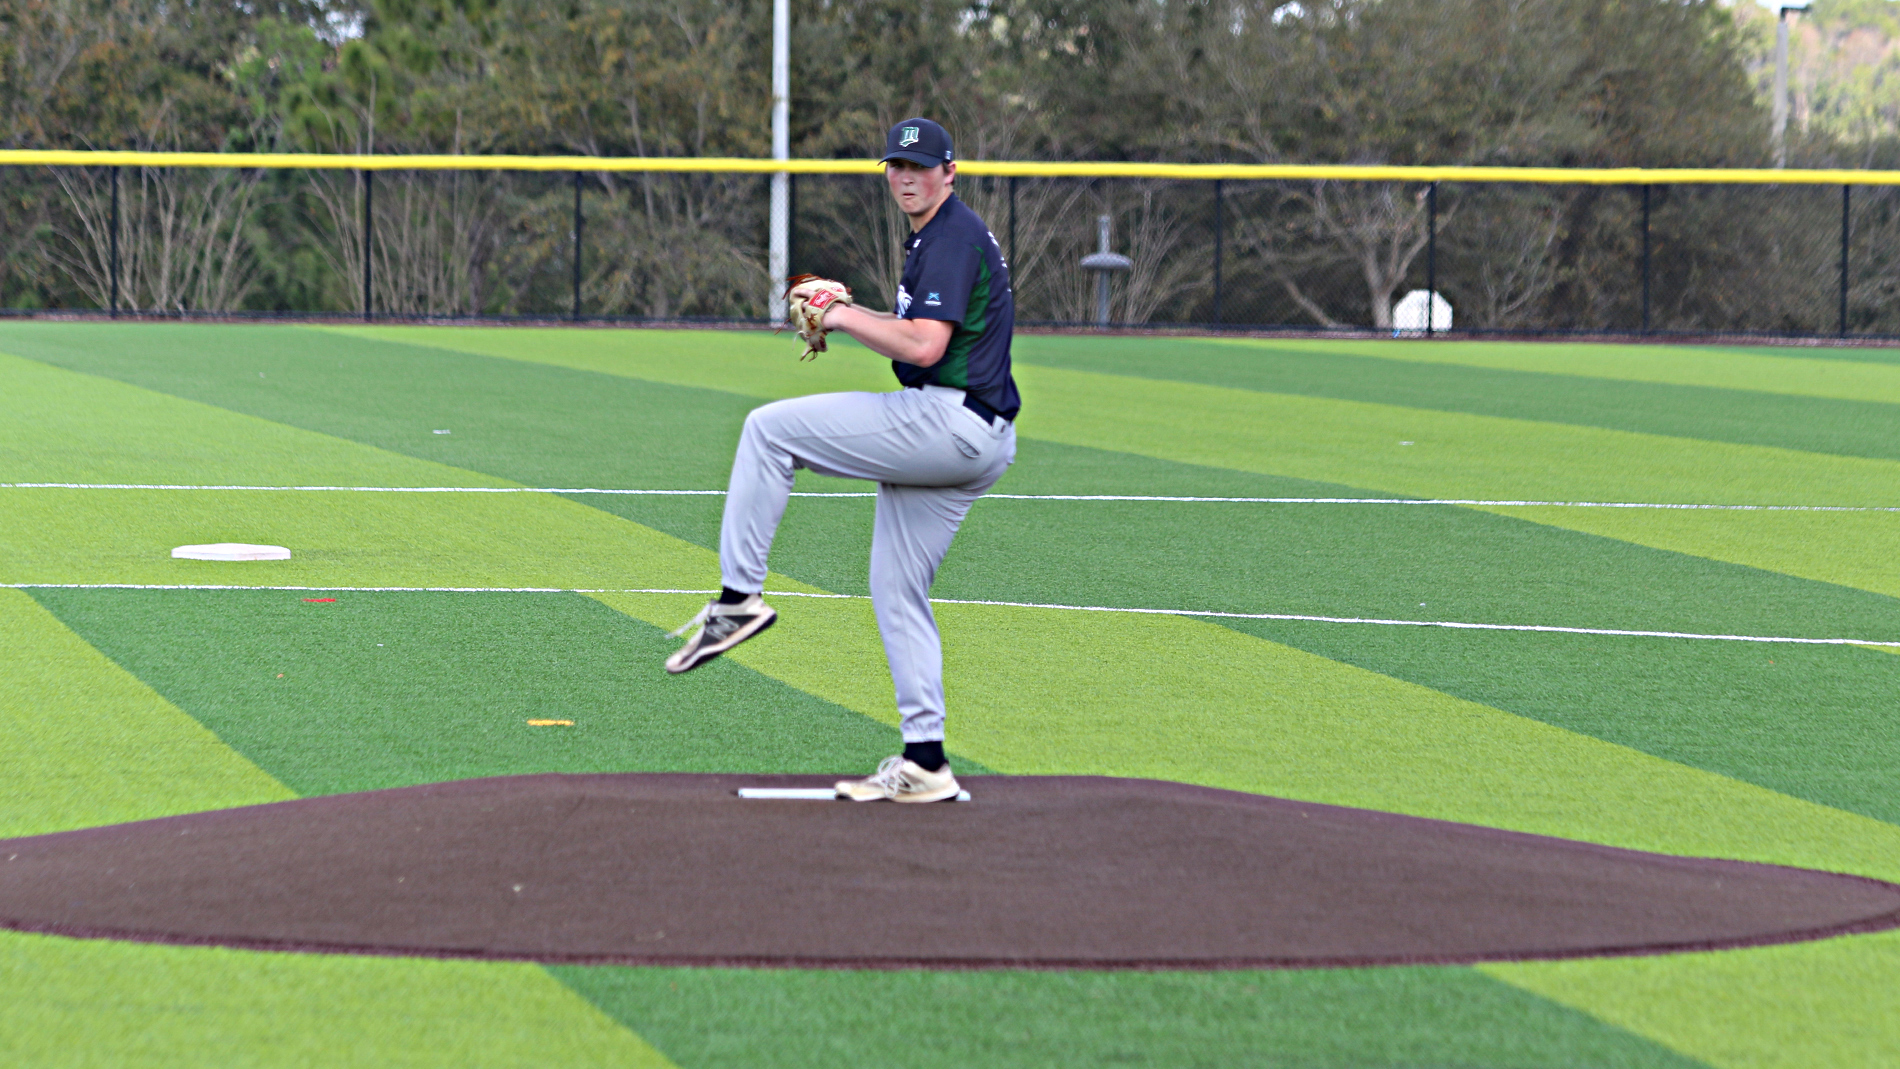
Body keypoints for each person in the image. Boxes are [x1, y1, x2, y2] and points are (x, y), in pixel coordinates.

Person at [665, 117, 1019, 803]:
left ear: (950, 172)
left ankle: (737, 600)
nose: (907, 178)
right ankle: (925, 761)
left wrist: (839, 314)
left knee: (768, 431)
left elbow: (923, 347)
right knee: (896, 588)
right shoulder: (937, 235)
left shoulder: (950, 237)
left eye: (921, 166)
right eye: (897, 166)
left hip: (948, 421)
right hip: (977, 434)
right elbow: (918, 334)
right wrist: (852, 311)